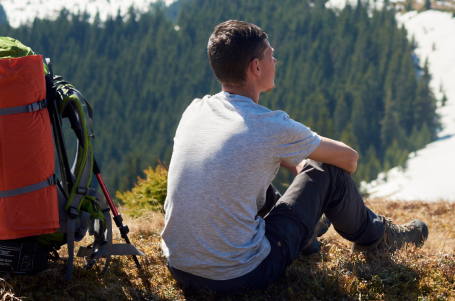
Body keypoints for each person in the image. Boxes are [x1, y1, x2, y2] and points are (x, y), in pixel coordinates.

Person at [160, 20, 428, 293]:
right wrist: (309, 169)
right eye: (270, 55)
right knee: (328, 170)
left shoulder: (195, 111)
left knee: (245, 173)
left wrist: (295, 161)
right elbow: (349, 159)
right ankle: (378, 237)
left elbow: (254, 153)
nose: (275, 60)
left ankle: (307, 236)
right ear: (256, 67)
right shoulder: (269, 126)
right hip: (239, 275)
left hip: (180, 266)